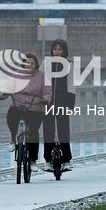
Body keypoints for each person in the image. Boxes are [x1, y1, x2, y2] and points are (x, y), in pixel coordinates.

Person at [0, 52, 51, 163]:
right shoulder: (16, 75)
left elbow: (47, 92)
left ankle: (33, 161)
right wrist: (3, 94)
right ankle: (13, 140)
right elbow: (8, 88)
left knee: (34, 132)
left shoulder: (42, 76)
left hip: (35, 107)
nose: (29, 65)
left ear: (36, 65)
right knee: (11, 116)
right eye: (27, 63)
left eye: (32, 63)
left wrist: (45, 99)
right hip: (18, 105)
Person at [42, 39, 74, 171]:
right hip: (47, 102)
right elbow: (40, 81)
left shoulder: (69, 65)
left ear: (64, 51)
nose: (57, 52)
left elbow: (71, 85)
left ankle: (67, 160)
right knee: (48, 132)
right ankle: (48, 160)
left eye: (60, 49)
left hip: (63, 101)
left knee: (63, 131)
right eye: (55, 49)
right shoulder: (45, 63)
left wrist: (70, 104)